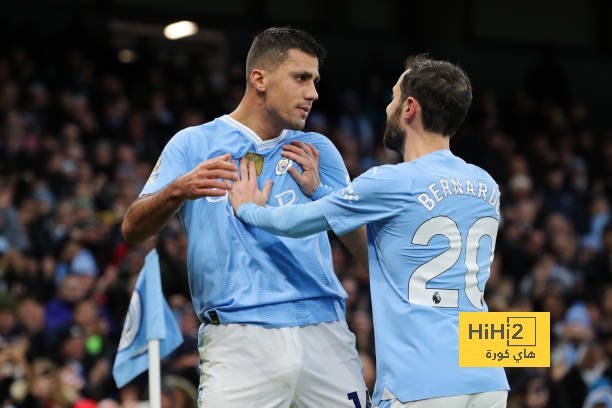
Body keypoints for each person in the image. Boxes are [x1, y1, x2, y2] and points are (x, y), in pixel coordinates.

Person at [229, 55, 510, 408]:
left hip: (421, 381)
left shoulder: (391, 180)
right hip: (488, 376)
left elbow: (298, 222)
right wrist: (320, 191)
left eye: (393, 98)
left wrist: (248, 208)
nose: (388, 106)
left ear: (409, 107)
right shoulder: (485, 184)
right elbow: (401, 237)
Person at [121, 27, 369, 407]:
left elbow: (365, 249)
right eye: (301, 78)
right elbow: (132, 229)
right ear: (260, 79)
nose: (313, 93)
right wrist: (177, 190)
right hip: (237, 343)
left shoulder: (316, 150)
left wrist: (323, 194)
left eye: (315, 81)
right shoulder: (193, 144)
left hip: (325, 333)